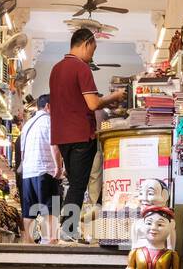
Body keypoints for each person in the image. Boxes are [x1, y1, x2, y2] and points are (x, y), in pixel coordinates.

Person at [48, 27, 124, 241]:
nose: (93, 54)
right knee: (79, 185)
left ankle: (67, 229)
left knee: (75, 183)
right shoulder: (81, 68)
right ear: (86, 44)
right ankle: (68, 230)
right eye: (93, 49)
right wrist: (114, 96)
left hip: (62, 136)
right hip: (81, 134)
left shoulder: (56, 69)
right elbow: (92, 104)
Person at [19, 93, 63, 243]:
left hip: (28, 172)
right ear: (48, 106)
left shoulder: (27, 125)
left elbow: (22, 152)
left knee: (29, 210)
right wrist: (58, 167)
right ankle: (52, 239)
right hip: (45, 169)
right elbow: (54, 146)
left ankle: (29, 241)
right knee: (51, 207)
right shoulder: (49, 121)